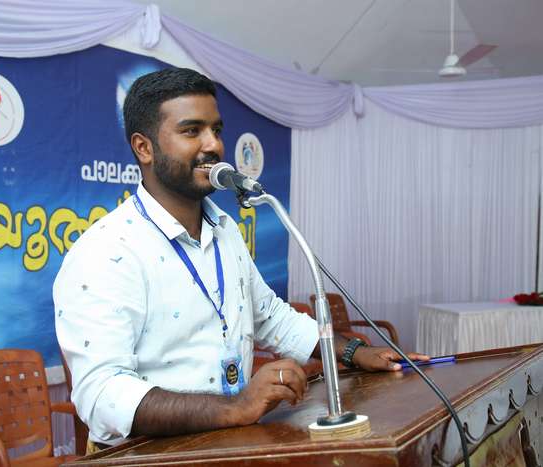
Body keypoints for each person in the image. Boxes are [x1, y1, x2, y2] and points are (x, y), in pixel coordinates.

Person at [53, 67, 428, 450]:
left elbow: (270, 317)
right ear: (143, 148)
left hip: (230, 442)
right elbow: (102, 396)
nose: (213, 145)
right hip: (145, 455)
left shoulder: (225, 230)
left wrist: (354, 352)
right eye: (191, 131)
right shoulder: (105, 252)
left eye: (216, 130)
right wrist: (236, 407)